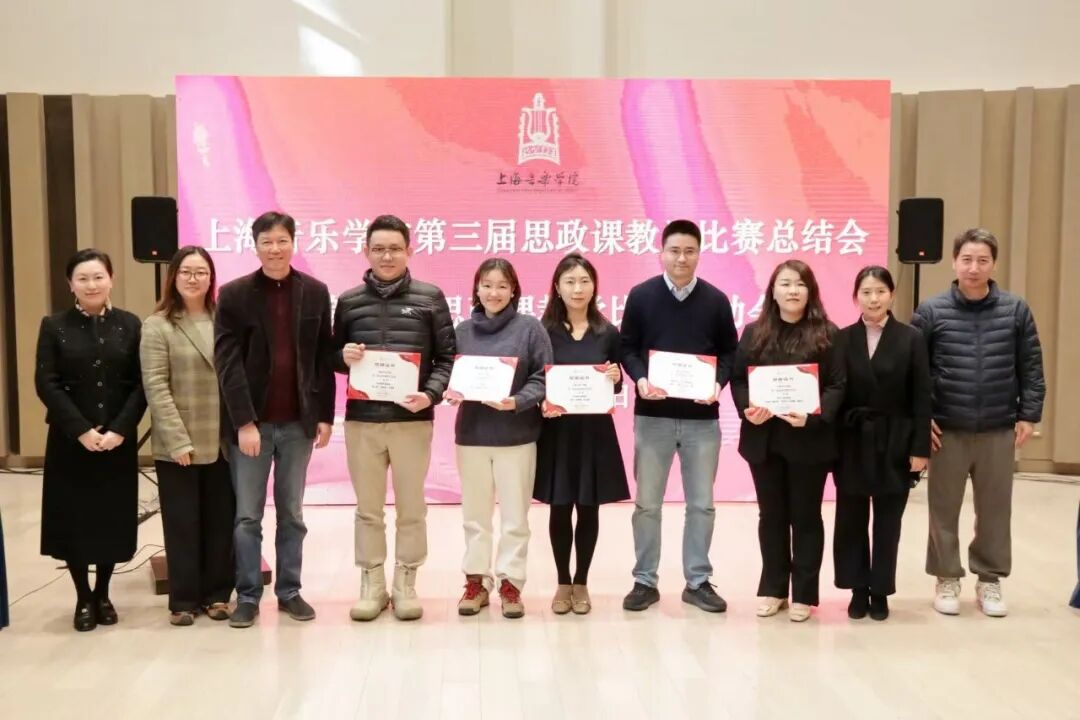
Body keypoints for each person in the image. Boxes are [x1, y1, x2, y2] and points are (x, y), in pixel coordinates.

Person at [912, 228, 1045, 618]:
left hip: (998, 427)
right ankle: (946, 577)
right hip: (946, 429)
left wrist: (1029, 414)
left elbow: (1031, 367)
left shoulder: (1016, 310)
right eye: (967, 259)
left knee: (995, 511)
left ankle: (989, 579)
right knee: (943, 509)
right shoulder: (931, 311)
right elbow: (913, 373)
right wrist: (921, 421)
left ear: (994, 264)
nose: (974, 268)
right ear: (954, 262)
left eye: (982, 260)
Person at [214, 211, 336, 629]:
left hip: (298, 425)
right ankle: (248, 595)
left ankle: (289, 591)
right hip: (253, 426)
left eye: (282, 240)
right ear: (255, 246)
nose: (275, 248)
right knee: (247, 516)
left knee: (292, 515)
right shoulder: (234, 295)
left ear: (293, 243)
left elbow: (322, 358)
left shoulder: (315, 292)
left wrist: (324, 415)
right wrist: (244, 422)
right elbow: (227, 363)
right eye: (266, 241)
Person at [333, 214, 456, 622]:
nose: (387, 256)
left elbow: (447, 357)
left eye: (395, 249)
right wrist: (343, 356)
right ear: (365, 251)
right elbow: (332, 356)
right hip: (362, 421)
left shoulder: (430, 297)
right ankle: (372, 583)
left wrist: (430, 394)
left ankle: (406, 582)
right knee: (368, 509)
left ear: (409, 251)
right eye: (379, 249)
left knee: (411, 508)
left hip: (411, 421)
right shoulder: (349, 301)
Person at [619, 219, 738, 613]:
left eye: (689, 251)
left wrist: (717, 384)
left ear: (699, 253)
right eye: (674, 250)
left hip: (702, 420)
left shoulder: (716, 301)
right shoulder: (641, 296)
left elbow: (730, 352)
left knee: (701, 504)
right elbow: (627, 347)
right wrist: (639, 379)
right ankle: (644, 580)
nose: (681, 258)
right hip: (652, 417)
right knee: (647, 504)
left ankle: (698, 581)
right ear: (661, 253)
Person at [35, 248, 147, 631]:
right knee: (75, 520)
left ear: (111, 279)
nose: (91, 284)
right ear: (70, 284)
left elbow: (141, 384)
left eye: (98, 276)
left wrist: (119, 430)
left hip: (117, 441)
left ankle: (104, 592)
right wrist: (81, 430)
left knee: (111, 519)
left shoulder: (130, 325)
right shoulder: (54, 326)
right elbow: (46, 383)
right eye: (82, 278)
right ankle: (83, 596)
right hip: (71, 442)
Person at [731, 259, 844, 623]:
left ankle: (804, 593)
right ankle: (774, 588)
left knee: (806, 516)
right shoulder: (754, 332)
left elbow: (837, 385)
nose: (793, 290)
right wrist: (748, 408)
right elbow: (739, 379)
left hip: (809, 441)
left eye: (800, 284)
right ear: (773, 291)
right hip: (764, 440)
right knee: (771, 516)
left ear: (810, 291)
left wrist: (813, 416)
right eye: (785, 283)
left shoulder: (827, 333)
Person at [448, 258, 552, 619]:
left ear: (514, 290)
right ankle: (476, 581)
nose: (494, 292)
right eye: (487, 285)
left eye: (502, 286)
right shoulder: (462, 331)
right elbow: (446, 371)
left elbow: (544, 376)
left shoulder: (530, 328)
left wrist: (517, 401)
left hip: (516, 436)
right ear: (476, 289)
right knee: (475, 516)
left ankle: (511, 583)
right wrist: (450, 389)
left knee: (515, 518)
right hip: (472, 435)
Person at [141, 246, 234, 626]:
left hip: (223, 440)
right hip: (179, 443)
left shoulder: (224, 319)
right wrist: (177, 440)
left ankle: (217, 595)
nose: (194, 279)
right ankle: (183, 599)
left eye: (201, 272)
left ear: (211, 278)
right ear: (174, 278)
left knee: (220, 521)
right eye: (186, 272)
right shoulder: (158, 325)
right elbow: (156, 387)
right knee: (182, 523)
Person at [833, 266, 930, 621]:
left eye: (880, 292)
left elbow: (922, 397)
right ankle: (857, 588)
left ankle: (880, 590)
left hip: (895, 439)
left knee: (888, 521)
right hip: (852, 438)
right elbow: (835, 393)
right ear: (855, 297)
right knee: (851, 519)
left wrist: (920, 449)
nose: (873, 299)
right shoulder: (841, 338)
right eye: (866, 292)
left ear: (892, 295)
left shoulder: (911, 338)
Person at [534, 253, 629, 615]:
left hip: (594, 433)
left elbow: (616, 383)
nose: (578, 288)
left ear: (594, 287)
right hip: (557, 431)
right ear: (557, 287)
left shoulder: (608, 332)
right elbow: (534, 379)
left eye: (585, 281)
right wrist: (541, 402)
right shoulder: (543, 330)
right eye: (570, 281)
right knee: (560, 508)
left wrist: (616, 377)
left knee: (589, 508)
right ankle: (562, 582)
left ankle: (582, 582)